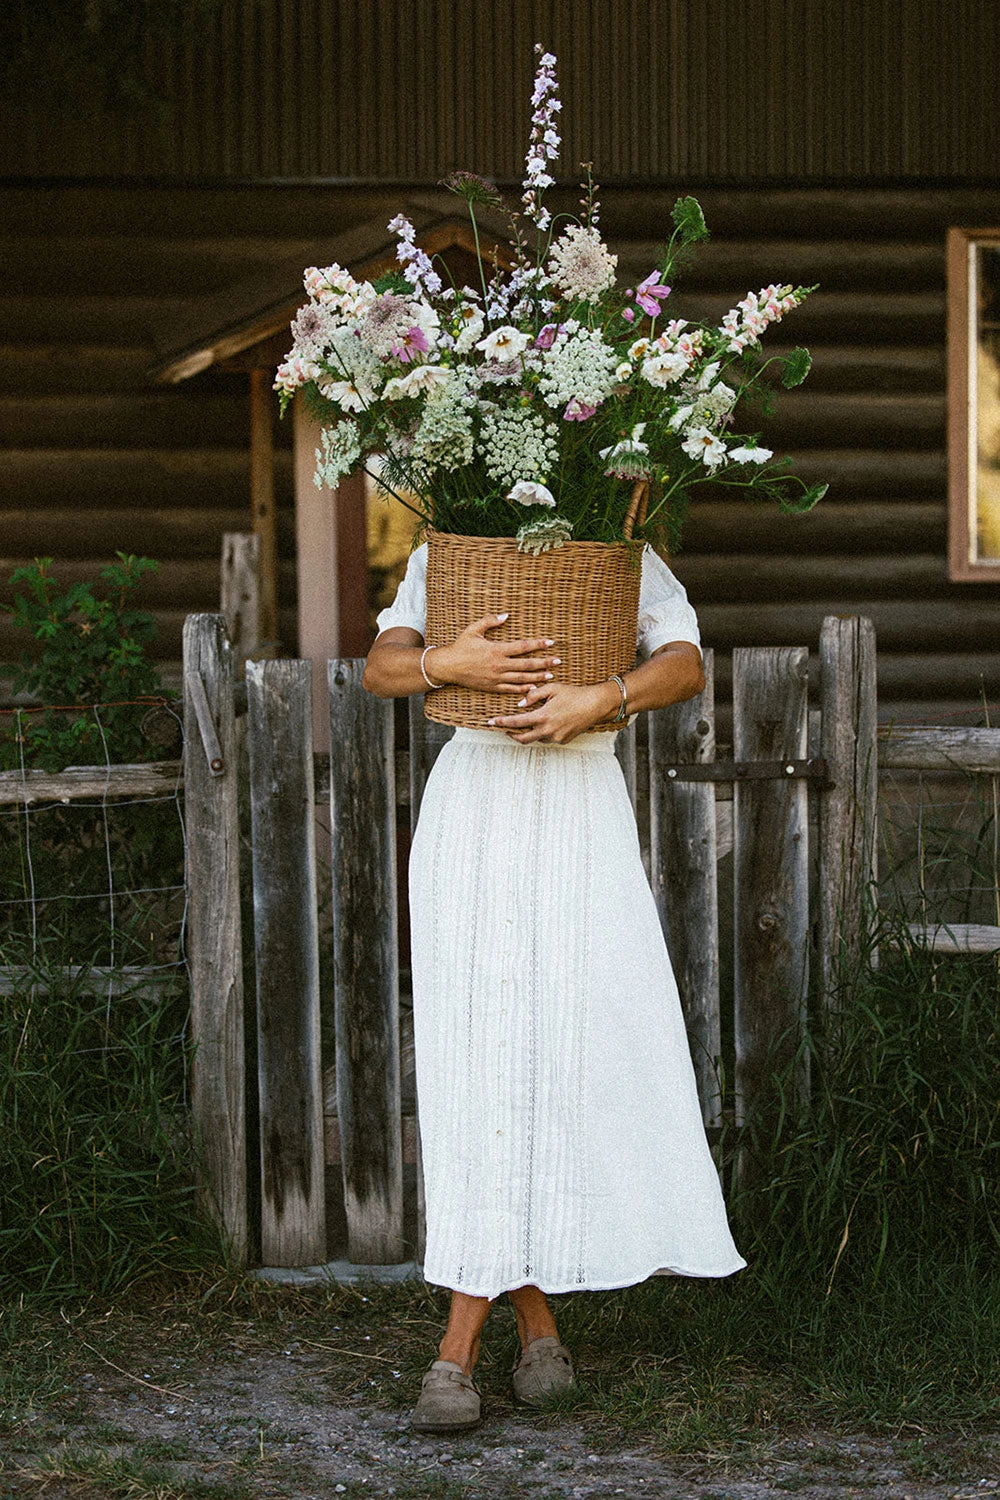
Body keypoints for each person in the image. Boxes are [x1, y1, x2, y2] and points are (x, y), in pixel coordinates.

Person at [363, 539, 745, 1434]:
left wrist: (599, 698)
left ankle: (479, 1345)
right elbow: (382, 667)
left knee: (563, 1054)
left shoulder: (617, 552)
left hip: (579, 805)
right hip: (474, 806)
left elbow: (684, 662)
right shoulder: (445, 551)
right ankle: (518, 1334)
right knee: (478, 1056)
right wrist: (443, 663)